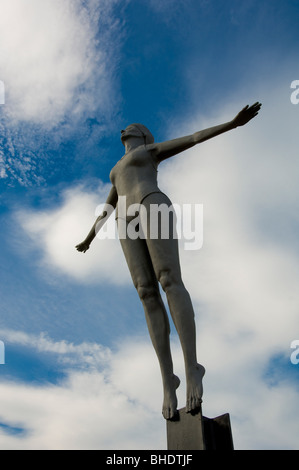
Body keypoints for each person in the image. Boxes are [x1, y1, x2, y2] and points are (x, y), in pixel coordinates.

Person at [76, 102, 262, 420]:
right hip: (124, 218)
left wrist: (232, 124)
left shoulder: (148, 152)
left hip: (151, 203)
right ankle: (168, 381)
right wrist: (90, 237)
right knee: (146, 292)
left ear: (143, 135)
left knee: (168, 279)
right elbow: (109, 204)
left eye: (132, 125)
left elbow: (191, 139)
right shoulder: (117, 168)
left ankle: (192, 368)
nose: (125, 128)